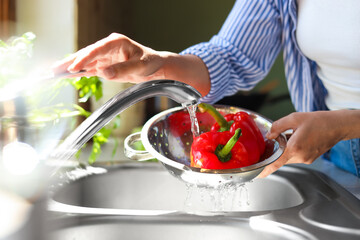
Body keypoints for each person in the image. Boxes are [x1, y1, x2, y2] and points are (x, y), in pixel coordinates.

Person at [53, 0, 360, 177]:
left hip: (333, 136)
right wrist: (158, 62)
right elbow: (232, 56)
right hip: (334, 156)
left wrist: (346, 124)